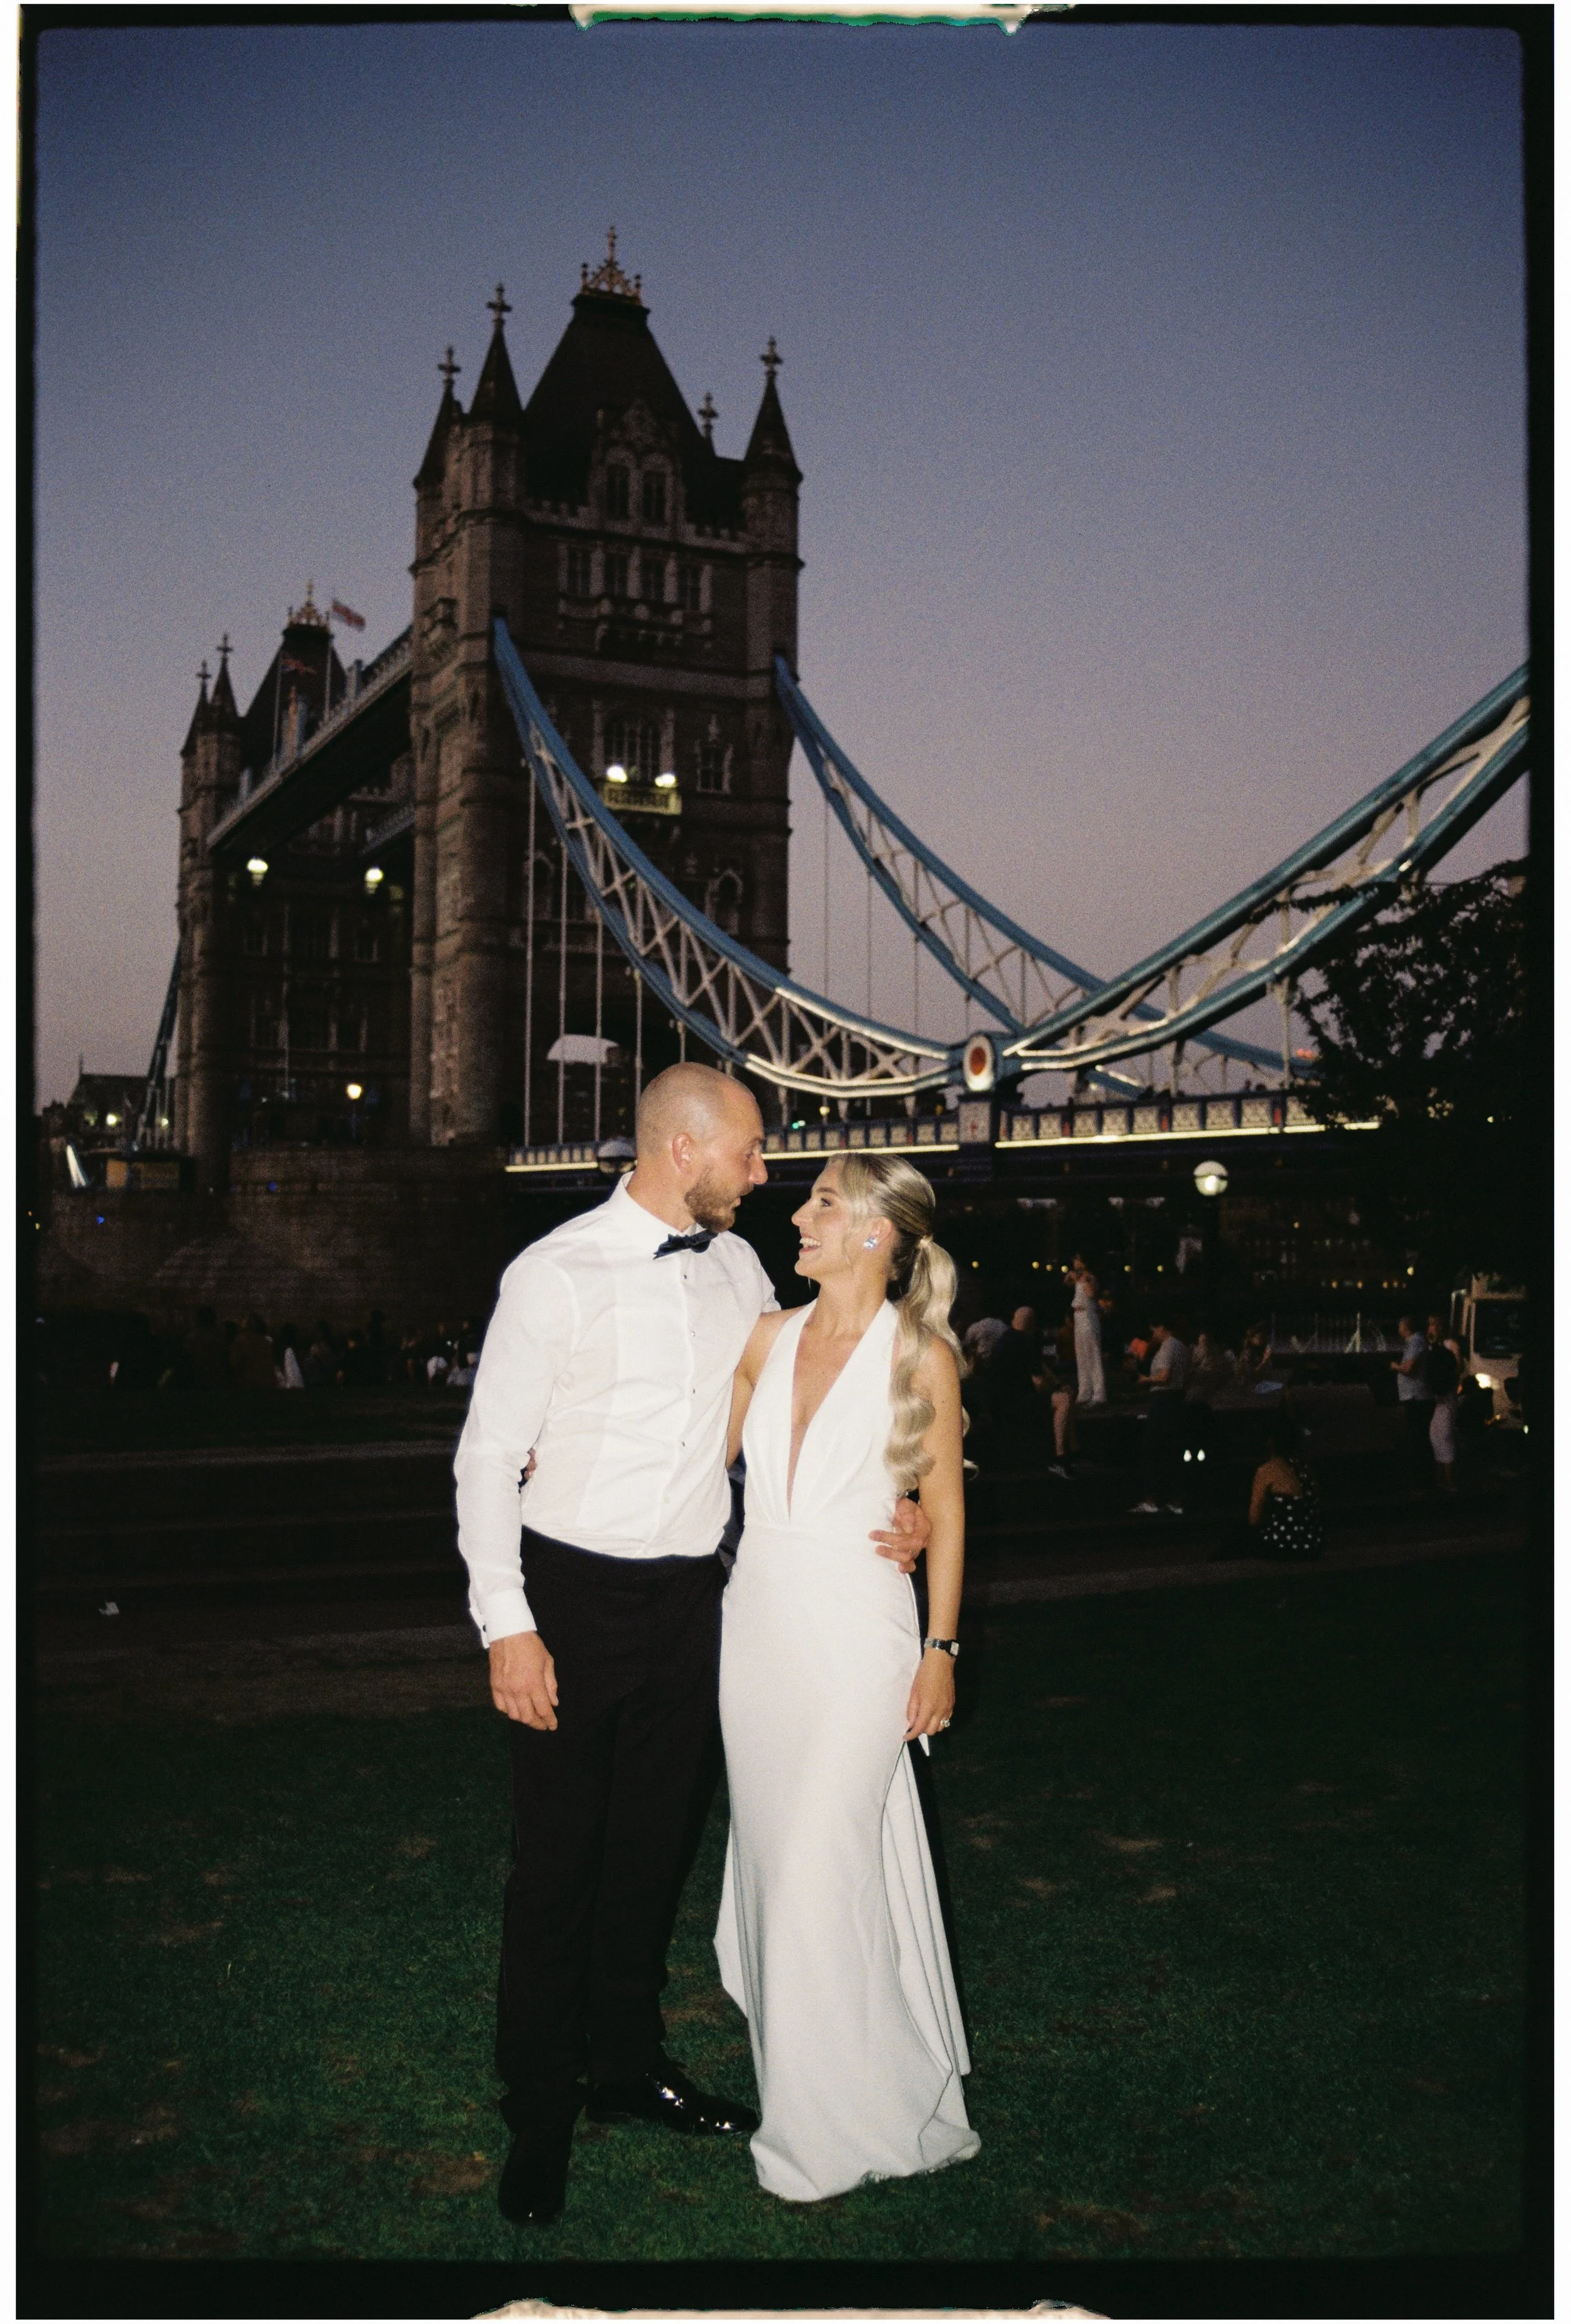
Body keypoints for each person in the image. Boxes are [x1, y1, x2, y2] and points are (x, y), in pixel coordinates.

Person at [453, 1064, 928, 2228]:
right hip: (571, 1593)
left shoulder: (742, 1269)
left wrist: (903, 1502)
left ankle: (627, 2062)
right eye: (750, 1152)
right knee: (556, 1862)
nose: (764, 1174)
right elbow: (486, 1458)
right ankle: (542, 2102)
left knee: (652, 1850)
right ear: (684, 1149)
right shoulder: (553, 1272)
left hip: (698, 1602)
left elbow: (821, 1388)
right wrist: (509, 1625)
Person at [718, 1153, 979, 2203]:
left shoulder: (922, 1355)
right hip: (756, 1634)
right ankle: (865, 2085)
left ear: (876, 1232)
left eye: (824, 1199)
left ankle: (817, 2137)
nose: (800, 1212)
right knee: (783, 1868)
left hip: (863, 1638)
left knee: (816, 1867)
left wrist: (940, 1648)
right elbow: (693, 1467)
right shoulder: (764, 1338)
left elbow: (947, 1512)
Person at [1130, 1317, 1191, 1514]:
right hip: (1178, 1400)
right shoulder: (1182, 1347)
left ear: (1162, 1327)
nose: (1153, 1334)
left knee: (1151, 1450)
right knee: (1174, 1452)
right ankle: (1177, 1500)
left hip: (1163, 1401)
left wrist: (1145, 1380)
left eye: (1154, 1330)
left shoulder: (1168, 1347)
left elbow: (1165, 1376)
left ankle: (1150, 1499)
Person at [1391, 1313, 1433, 1483]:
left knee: (1417, 1438)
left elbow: (1408, 1369)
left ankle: (1422, 1478)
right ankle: (1422, 1475)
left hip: (1416, 1397)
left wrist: (1395, 1366)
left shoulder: (1416, 1342)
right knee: (1418, 1436)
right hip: (1415, 1396)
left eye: (1400, 1326)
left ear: (1404, 1328)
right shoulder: (1416, 1342)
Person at [1423, 1317, 1461, 1495]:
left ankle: (1450, 1480)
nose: (1431, 1328)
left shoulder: (1449, 1345)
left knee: (1445, 1435)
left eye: (1434, 1325)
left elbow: (1457, 1368)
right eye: (1430, 1325)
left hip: (1447, 1397)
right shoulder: (1433, 1346)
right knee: (1435, 1435)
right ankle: (1441, 1478)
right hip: (1437, 1398)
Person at [1070, 1256, 1106, 1406]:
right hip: (1078, 1316)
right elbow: (1066, 1282)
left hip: (1088, 1315)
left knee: (1092, 1354)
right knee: (1081, 1355)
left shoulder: (1090, 1278)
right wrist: (1075, 1279)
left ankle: (1099, 1394)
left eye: (1077, 1259)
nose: (1074, 1262)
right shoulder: (1079, 1277)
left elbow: (1092, 1294)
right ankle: (1084, 1391)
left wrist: (1083, 1281)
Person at [229, 1313, 276, 1393]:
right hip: (266, 1385)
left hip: (248, 1384)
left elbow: (236, 1362)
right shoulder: (265, 1342)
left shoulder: (242, 1341)